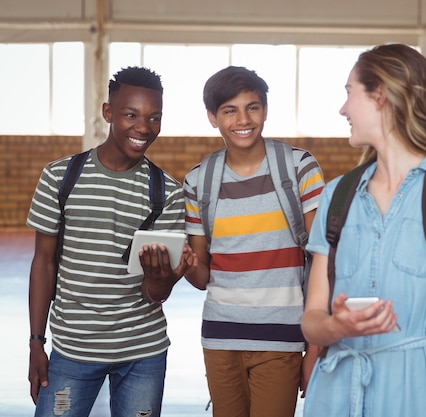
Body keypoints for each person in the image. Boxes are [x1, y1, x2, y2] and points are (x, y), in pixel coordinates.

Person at [300, 43, 426, 417]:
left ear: (381, 96)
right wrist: (336, 328)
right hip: (333, 397)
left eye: (349, 92)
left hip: (415, 396)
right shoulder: (336, 195)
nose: (343, 109)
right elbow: (312, 321)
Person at [27, 66, 196, 417]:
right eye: (130, 115)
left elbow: (154, 295)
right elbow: (43, 262)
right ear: (108, 113)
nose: (144, 127)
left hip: (143, 351)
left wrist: (162, 280)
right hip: (72, 350)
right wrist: (36, 342)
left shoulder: (168, 192)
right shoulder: (60, 177)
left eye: (154, 117)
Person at [183, 66, 325, 417]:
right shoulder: (198, 181)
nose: (243, 119)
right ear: (212, 118)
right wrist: (180, 264)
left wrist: (316, 348)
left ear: (265, 110)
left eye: (253, 107)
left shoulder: (299, 167)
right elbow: (202, 278)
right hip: (220, 337)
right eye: (229, 110)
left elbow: (324, 259)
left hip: (281, 336)